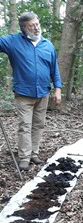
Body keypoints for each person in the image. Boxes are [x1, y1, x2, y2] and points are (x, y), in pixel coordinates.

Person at [0, 11, 62, 171]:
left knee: (38, 125)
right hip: (23, 94)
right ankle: (24, 158)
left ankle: (34, 153)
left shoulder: (47, 45)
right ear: (24, 28)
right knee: (25, 125)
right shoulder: (13, 41)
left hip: (43, 92)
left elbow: (54, 69)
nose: (36, 28)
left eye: (37, 24)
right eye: (31, 26)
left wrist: (58, 89)